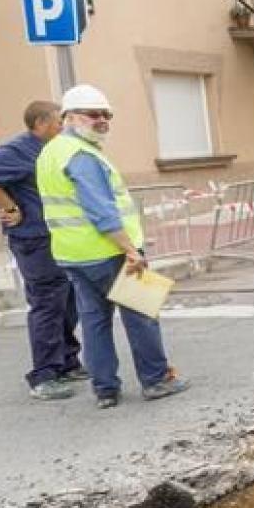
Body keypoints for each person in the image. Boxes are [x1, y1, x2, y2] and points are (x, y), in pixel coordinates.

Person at [36, 84, 188, 409]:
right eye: (94, 114)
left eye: (107, 115)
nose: (103, 120)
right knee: (142, 315)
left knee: (94, 321)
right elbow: (101, 210)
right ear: (71, 117)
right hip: (110, 252)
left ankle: (105, 389)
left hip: (73, 255)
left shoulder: (51, 151)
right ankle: (156, 379)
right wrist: (130, 250)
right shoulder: (81, 156)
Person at [0, 101, 85, 401]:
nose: (63, 127)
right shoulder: (18, 150)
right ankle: (44, 375)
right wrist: (9, 206)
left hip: (56, 236)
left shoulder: (52, 149)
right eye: (59, 122)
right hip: (33, 239)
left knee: (68, 298)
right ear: (41, 124)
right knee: (47, 302)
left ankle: (67, 361)